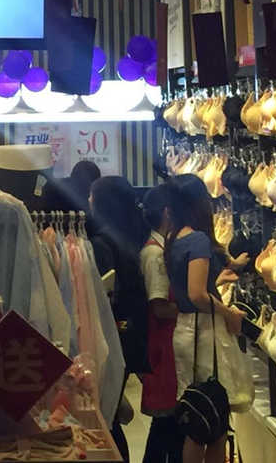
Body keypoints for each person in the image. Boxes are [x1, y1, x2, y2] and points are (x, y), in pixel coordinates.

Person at [165, 174, 248, 463]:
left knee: (198, 416)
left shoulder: (174, 238)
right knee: (213, 419)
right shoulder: (198, 239)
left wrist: (219, 278)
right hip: (203, 331)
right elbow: (197, 294)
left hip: (186, 328)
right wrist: (229, 313)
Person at [89, 175, 150, 463]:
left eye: (92, 196)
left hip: (113, 333)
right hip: (132, 331)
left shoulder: (101, 243)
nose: (89, 201)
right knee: (111, 415)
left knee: (107, 418)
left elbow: (105, 292)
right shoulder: (136, 235)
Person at [139, 185, 182, 463]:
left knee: (166, 426)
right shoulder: (154, 254)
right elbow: (159, 307)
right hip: (163, 345)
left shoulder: (162, 248)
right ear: (168, 212)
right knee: (167, 423)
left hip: (167, 342)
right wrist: (194, 306)